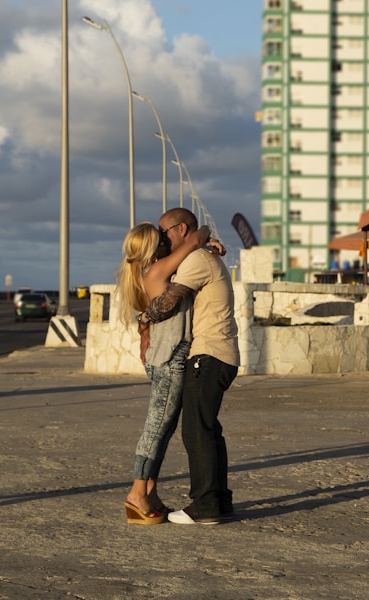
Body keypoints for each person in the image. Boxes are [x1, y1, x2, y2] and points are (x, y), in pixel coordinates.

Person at [140, 207, 239, 526]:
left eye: (165, 231)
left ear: (182, 230)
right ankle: (219, 501)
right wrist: (206, 238)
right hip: (219, 353)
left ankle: (206, 505)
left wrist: (143, 318)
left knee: (197, 431)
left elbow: (166, 304)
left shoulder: (196, 261)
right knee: (208, 429)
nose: (162, 237)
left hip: (208, 354)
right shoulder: (199, 255)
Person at [115, 221, 219, 525]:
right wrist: (205, 239)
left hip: (166, 356)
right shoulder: (158, 271)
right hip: (170, 358)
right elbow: (199, 235)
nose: (166, 241)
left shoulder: (155, 271)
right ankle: (137, 494)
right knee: (156, 429)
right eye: (161, 238)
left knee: (163, 429)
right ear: (154, 248)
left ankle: (149, 492)